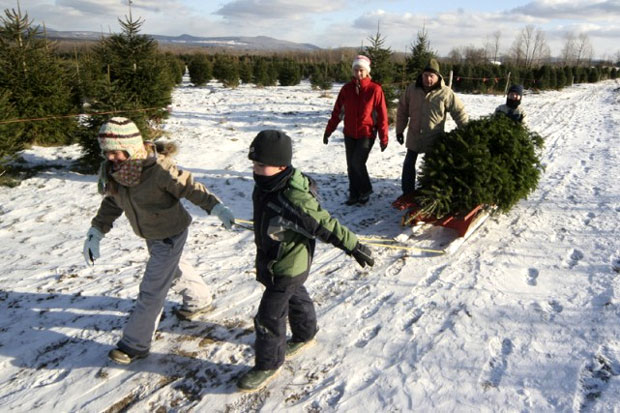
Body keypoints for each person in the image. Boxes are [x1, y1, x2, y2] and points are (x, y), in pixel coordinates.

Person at [82, 117, 236, 365]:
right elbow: (112, 202)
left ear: (131, 148)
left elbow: (190, 187)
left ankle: (135, 343)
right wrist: (96, 232)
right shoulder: (117, 173)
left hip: (170, 233)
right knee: (174, 269)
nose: (110, 158)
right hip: (152, 234)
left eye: (115, 152)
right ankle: (200, 300)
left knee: (152, 289)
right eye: (106, 153)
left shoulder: (159, 171)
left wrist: (217, 208)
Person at [237, 129, 375, 392]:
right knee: (296, 296)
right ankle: (305, 334)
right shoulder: (268, 185)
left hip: (287, 264)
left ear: (281, 165)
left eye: (260, 165)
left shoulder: (291, 197)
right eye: (254, 164)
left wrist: (354, 246)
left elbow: (325, 224)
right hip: (277, 259)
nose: (254, 170)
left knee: (269, 316)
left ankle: (268, 364)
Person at [395, 58, 468, 197]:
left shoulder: (445, 93)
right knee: (409, 163)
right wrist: (399, 130)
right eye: (425, 75)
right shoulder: (412, 89)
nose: (428, 79)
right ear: (421, 75)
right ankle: (407, 192)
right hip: (414, 134)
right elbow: (402, 110)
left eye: (431, 76)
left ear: (438, 76)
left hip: (434, 137)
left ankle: (428, 192)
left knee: (432, 166)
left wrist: (465, 130)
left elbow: (459, 111)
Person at [323, 55, 389, 205]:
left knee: (357, 163)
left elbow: (382, 116)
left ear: (367, 71)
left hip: (367, 133)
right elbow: (338, 112)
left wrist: (383, 137)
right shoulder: (347, 90)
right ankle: (354, 194)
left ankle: (365, 190)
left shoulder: (375, 90)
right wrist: (328, 131)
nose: (358, 73)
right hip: (350, 133)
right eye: (356, 70)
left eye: (361, 70)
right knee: (350, 165)